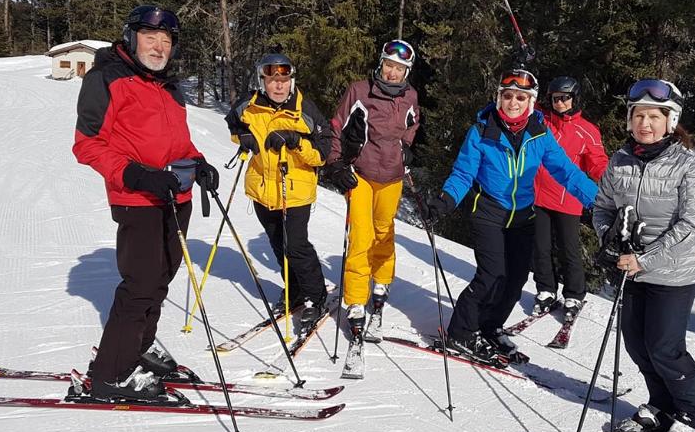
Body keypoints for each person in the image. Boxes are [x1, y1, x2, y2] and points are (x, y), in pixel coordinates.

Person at [73, 5, 219, 402]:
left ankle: (138, 347)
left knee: (160, 279)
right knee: (140, 285)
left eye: (166, 40)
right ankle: (111, 374)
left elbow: (177, 143)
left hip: (177, 197)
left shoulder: (168, 86)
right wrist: (137, 174)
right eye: (150, 37)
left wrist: (199, 163)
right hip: (137, 198)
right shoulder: (107, 77)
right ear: (131, 37)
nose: (159, 47)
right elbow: (87, 145)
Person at [424, 69, 597, 363]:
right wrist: (445, 200)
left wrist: (598, 201)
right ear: (498, 98)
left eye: (520, 97)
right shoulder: (482, 131)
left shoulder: (539, 133)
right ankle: (460, 332)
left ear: (530, 101)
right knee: (491, 275)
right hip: (488, 211)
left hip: (523, 215)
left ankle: (490, 327)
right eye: (507, 96)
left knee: (516, 279)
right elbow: (464, 173)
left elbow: (566, 172)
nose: (513, 102)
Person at [593, 78, 695, 432]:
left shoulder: (689, 164)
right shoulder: (620, 160)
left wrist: (645, 257)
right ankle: (663, 406)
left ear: (670, 120)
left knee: (665, 348)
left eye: (654, 117)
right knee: (637, 344)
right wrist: (611, 237)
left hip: (673, 274)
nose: (645, 124)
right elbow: (602, 207)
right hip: (632, 271)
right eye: (638, 116)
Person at [225, 52, 331, 324]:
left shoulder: (304, 109)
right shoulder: (248, 104)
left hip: (295, 190)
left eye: (284, 80)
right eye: (272, 80)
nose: (279, 86)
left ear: (291, 81)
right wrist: (243, 135)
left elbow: (323, 153)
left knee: (296, 246)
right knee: (277, 244)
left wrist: (296, 141)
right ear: (262, 82)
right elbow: (232, 121)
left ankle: (315, 296)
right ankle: (294, 290)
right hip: (262, 189)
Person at [325, 39, 420, 339]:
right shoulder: (359, 91)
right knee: (361, 237)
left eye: (399, 68)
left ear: (406, 72)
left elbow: (412, 124)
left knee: (383, 231)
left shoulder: (411, 96)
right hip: (361, 174)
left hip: (392, 176)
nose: (392, 72)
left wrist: (406, 148)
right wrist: (335, 163)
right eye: (389, 65)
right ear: (381, 63)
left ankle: (381, 282)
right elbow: (336, 126)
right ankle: (355, 301)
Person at [532, 76, 608, 319]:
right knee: (541, 247)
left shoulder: (587, 130)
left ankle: (574, 294)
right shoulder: (541, 119)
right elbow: (523, 101)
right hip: (537, 196)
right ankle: (546, 290)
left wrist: (611, 182)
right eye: (555, 99)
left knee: (569, 249)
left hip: (567, 199)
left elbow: (597, 163)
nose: (560, 103)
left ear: (575, 99)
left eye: (565, 98)